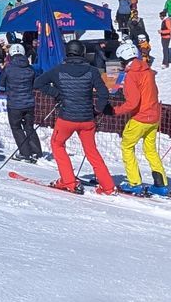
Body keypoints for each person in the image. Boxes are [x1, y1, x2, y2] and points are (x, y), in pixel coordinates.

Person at [36, 41, 118, 193]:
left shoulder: (58, 70)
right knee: (91, 151)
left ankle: (69, 181)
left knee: (57, 145)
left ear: (67, 52)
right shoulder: (92, 71)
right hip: (87, 119)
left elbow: (38, 83)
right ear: (82, 53)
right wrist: (97, 110)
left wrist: (57, 94)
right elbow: (103, 94)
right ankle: (108, 186)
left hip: (66, 119)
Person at [117, 49, 170, 196]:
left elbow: (132, 103)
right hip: (153, 117)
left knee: (127, 146)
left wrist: (115, 111)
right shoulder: (148, 71)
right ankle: (161, 184)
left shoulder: (131, 75)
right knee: (150, 150)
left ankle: (134, 183)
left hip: (140, 118)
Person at [3, 42, 44, 163]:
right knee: (29, 127)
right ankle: (37, 151)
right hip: (29, 103)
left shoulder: (8, 68)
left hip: (14, 104)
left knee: (16, 128)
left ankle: (25, 153)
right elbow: (35, 82)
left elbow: (0, 82)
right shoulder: (30, 68)